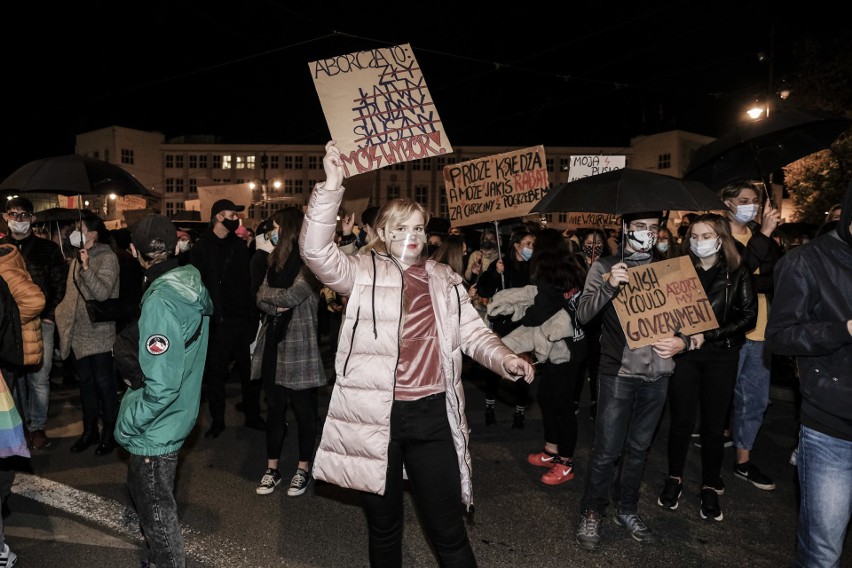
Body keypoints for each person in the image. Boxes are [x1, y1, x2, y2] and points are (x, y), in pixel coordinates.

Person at [300, 141, 534, 567]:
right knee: (385, 530)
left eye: (418, 229)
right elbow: (315, 252)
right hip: (377, 418)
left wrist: (505, 359)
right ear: (383, 233)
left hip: (431, 416)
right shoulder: (362, 273)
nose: (412, 237)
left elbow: (474, 334)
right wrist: (332, 186)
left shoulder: (444, 279)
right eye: (401, 228)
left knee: (448, 531)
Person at [574, 210, 690, 551]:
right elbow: (582, 314)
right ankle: (593, 511)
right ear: (625, 229)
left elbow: (689, 318)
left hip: (659, 374)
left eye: (653, 228)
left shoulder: (670, 268)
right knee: (606, 451)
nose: (647, 234)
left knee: (639, 449)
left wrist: (682, 341)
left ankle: (627, 509)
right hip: (618, 373)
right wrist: (610, 285)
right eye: (640, 227)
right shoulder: (604, 266)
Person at [115, 214, 212, 568]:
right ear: (176, 247)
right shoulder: (188, 283)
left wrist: (130, 423)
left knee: (157, 515)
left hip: (158, 425)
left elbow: (162, 385)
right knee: (151, 502)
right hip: (180, 411)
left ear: (133, 251)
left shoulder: (161, 299)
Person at [765, 182, 852, 568]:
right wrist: (844, 329)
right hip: (833, 429)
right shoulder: (807, 262)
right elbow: (781, 336)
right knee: (823, 550)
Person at [657, 213, 756, 522]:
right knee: (681, 421)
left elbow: (747, 318)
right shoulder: (678, 270)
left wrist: (706, 335)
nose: (699, 242)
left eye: (706, 236)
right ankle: (674, 478)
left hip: (721, 355)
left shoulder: (737, 271)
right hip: (685, 356)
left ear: (721, 238)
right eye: (694, 237)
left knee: (714, 426)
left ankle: (710, 486)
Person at [491, 228, 588, 485]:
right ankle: (551, 450)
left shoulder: (551, 280)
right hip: (571, 348)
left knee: (562, 406)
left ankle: (565, 462)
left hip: (565, 352)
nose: (531, 250)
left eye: (535, 246)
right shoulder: (572, 271)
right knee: (548, 398)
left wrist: (522, 310)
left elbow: (536, 314)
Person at [250, 207, 327, 497]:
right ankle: (272, 470)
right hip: (274, 341)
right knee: (275, 409)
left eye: (277, 226)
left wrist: (274, 300)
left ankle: (303, 468)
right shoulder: (273, 260)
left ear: (289, 229)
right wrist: (274, 302)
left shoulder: (311, 262)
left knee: (305, 411)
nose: (273, 231)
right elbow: (259, 296)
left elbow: (295, 296)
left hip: (300, 345)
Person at [720, 180, 782, 491]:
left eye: (755, 200)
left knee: (754, 399)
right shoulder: (718, 234)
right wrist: (765, 235)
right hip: (731, 330)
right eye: (744, 199)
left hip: (761, 330)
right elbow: (736, 273)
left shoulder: (761, 235)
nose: (752, 205)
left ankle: (743, 460)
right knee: (721, 395)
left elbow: (776, 276)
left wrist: (766, 238)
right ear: (728, 202)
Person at [189, 199, 264, 438]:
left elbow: (248, 283)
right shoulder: (201, 248)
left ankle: (252, 416)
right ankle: (218, 420)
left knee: (249, 372)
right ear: (219, 217)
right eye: (232, 215)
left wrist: (253, 317)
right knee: (216, 375)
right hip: (217, 322)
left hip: (242, 320)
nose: (236, 220)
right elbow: (196, 287)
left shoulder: (239, 246)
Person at [1, 197, 67, 450]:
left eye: (24, 215)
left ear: (33, 218)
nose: (19, 220)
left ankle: (37, 427)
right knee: (13, 379)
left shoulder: (47, 249)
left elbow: (59, 284)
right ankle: (20, 425)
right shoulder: (2, 248)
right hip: (10, 325)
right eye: (13, 214)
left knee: (40, 377)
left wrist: (49, 314)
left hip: (41, 321)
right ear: (6, 216)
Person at [55, 213, 121, 456]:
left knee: (104, 384)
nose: (75, 232)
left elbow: (103, 293)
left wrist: (86, 267)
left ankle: (110, 432)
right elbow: (71, 295)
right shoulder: (75, 258)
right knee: (85, 385)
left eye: (79, 228)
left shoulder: (108, 258)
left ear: (92, 233)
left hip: (100, 333)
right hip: (78, 333)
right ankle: (89, 430)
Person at [476, 229, 535, 428]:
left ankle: (520, 412)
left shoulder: (534, 268)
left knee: (523, 368)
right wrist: (495, 273)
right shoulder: (502, 264)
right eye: (528, 244)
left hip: (524, 326)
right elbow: (483, 289)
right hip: (502, 323)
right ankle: (489, 408)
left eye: (533, 244)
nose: (531, 248)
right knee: (495, 367)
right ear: (517, 245)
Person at [573, 228, 610, 421]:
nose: (593, 248)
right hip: (580, 321)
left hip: (599, 323)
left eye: (597, 244)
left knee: (597, 366)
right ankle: (575, 399)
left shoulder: (608, 264)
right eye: (589, 244)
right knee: (578, 364)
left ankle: (597, 401)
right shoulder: (575, 263)